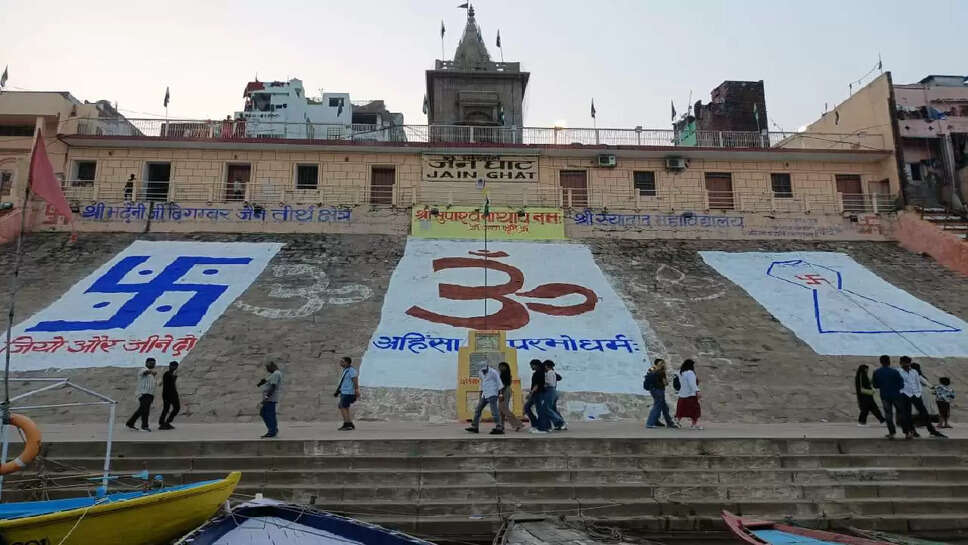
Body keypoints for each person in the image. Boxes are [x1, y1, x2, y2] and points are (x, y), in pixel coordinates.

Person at [898, 356, 946, 439]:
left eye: (907, 363)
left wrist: (918, 392)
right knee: (907, 414)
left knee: (923, 413)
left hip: (915, 395)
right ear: (901, 363)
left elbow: (918, 381)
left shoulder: (914, 372)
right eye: (904, 363)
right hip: (904, 395)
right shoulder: (898, 372)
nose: (905, 364)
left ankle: (931, 431)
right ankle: (912, 431)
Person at [872, 355, 905, 439]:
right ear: (889, 361)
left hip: (884, 396)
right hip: (896, 395)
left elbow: (875, 385)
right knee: (901, 413)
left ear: (881, 362)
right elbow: (901, 384)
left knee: (888, 414)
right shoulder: (895, 372)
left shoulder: (876, 372)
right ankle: (907, 432)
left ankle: (892, 433)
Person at [466, 365, 505, 435]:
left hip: (493, 393)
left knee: (494, 411)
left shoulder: (493, 372)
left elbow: (499, 382)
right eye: (482, 370)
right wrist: (480, 394)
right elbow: (481, 383)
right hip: (485, 394)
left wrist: (501, 394)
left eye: (485, 370)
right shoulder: (480, 372)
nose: (483, 372)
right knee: (478, 409)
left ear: (487, 367)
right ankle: (475, 427)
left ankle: (499, 427)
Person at [125, 358, 157, 432]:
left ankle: (130, 423)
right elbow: (145, 372)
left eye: (154, 363)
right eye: (151, 363)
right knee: (145, 410)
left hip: (150, 394)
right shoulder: (143, 369)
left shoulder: (151, 375)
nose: (153, 364)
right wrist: (151, 372)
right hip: (143, 394)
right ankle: (144, 426)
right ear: (146, 363)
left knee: (142, 410)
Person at [645, 358, 677, 429]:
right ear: (661, 364)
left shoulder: (651, 369)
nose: (664, 365)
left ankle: (667, 422)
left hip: (652, 390)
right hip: (659, 390)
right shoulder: (661, 372)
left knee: (664, 407)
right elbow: (665, 383)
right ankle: (650, 423)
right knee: (657, 406)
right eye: (663, 363)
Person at [523, 359, 549, 434]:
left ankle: (543, 428)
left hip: (538, 393)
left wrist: (530, 393)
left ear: (536, 365)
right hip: (536, 393)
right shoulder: (538, 372)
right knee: (527, 407)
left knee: (540, 410)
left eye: (532, 365)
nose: (531, 367)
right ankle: (535, 425)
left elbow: (537, 385)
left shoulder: (539, 373)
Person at [334, 356, 360, 431]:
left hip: (348, 392)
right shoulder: (346, 370)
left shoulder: (351, 371)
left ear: (347, 362)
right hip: (344, 392)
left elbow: (355, 380)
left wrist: (356, 390)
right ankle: (349, 423)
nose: (340, 363)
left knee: (343, 407)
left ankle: (347, 424)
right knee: (344, 407)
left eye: (342, 361)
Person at [675, 359, 702, 430]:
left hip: (682, 394)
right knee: (694, 410)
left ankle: (677, 422)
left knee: (681, 409)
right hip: (691, 394)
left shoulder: (681, 372)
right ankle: (694, 424)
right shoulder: (690, 373)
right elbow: (692, 383)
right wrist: (697, 391)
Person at [258, 361, 283, 438]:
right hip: (270, 398)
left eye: (268, 368)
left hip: (270, 398)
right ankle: (273, 429)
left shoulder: (276, 374)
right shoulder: (275, 374)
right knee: (267, 413)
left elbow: (273, 386)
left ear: (271, 367)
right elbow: (267, 380)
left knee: (267, 414)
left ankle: (272, 431)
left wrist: (266, 397)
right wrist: (262, 382)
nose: (267, 370)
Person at [497, 362, 523, 432]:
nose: (500, 368)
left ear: (506, 367)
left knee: (504, 409)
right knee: (501, 410)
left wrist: (501, 394)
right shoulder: (505, 374)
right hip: (505, 391)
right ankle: (501, 426)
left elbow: (503, 386)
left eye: (502, 366)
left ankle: (518, 424)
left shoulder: (504, 374)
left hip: (504, 391)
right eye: (499, 366)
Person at [543, 360, 567, 431]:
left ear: (546, 366)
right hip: (553, 391)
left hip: (550, 391)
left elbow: (550, 383)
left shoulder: (549, 373)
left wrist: (543, 383)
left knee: (546, 408)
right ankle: (559, 424)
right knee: (553, 409)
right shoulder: (553, 373)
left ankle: (561, 422)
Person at [158, 361, 180, 430]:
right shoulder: (167, 374)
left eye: (176, 366)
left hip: (173, 394)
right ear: (170, 366)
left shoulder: (172, 374)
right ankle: (162, 423)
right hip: (167, 394)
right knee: (166, 409)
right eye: (173, 366)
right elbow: (167, 384)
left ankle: (167, 422)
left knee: (177, 408)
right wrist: (174, 377)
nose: (174, 367)